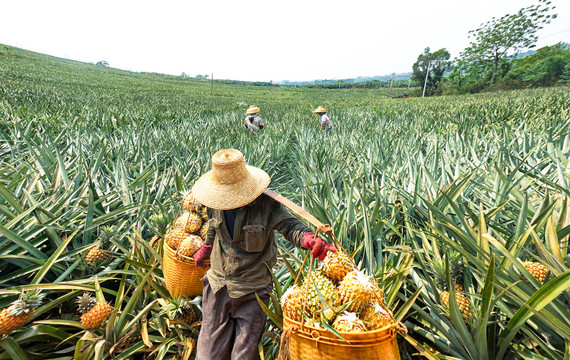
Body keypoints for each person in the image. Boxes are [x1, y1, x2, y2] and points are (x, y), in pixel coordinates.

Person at [191, 149, 336, 360]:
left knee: (243, 356)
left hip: (253, 290)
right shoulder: (214, 199)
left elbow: (289, 225)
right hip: (218, 286)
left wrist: (307, 238)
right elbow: (213, 224)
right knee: (207, 355)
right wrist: (207, 246)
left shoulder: (265, 204)